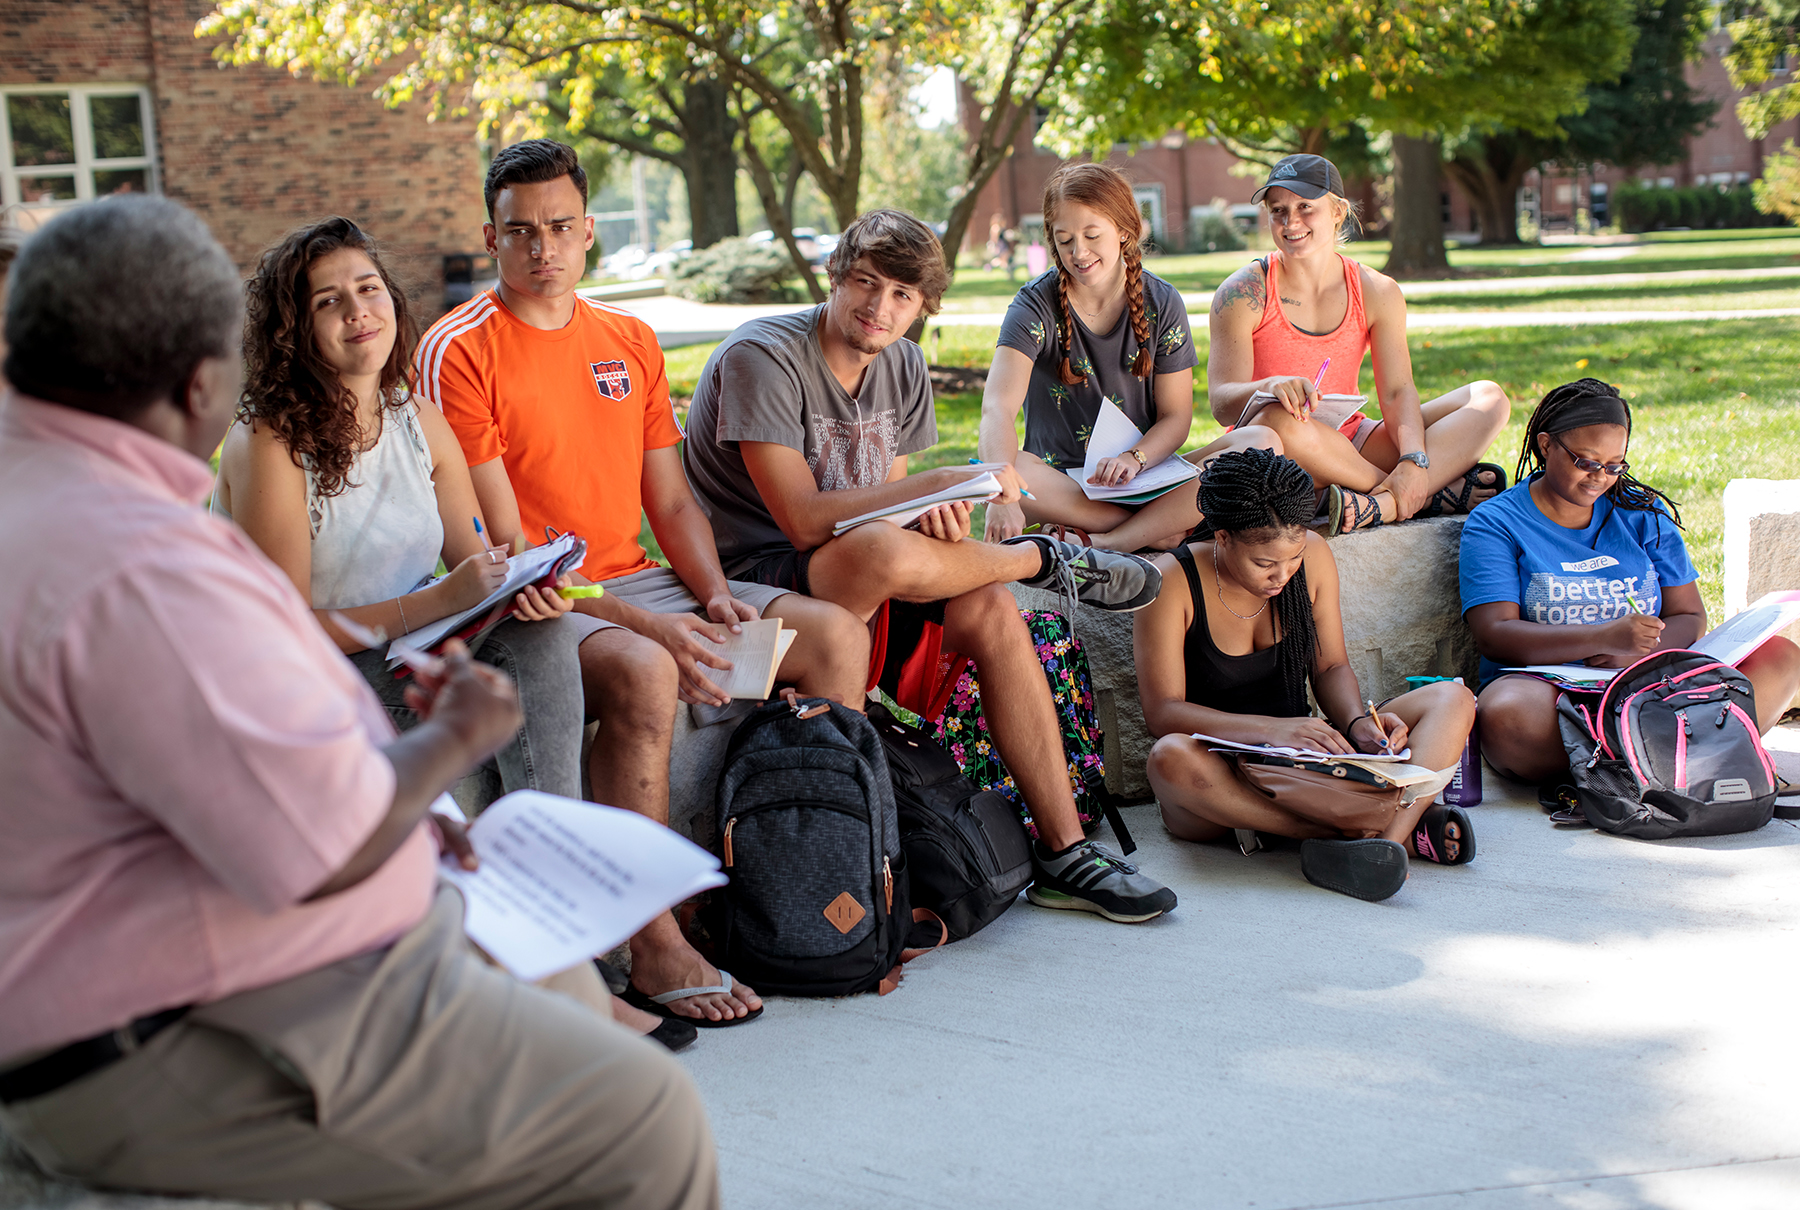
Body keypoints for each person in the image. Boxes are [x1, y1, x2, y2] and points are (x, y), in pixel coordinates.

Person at [0, 196, 718, 1210]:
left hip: (167, 956)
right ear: (208, 377)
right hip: (152, 1028)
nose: (355, 314)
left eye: (368, 291)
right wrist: (448, 744)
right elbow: (316, 843)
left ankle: (577, 937)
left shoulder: (39, 491)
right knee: (646, 1118)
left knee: (529, 931)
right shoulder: (140, 557)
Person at [418, 138, 871, 1026]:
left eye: (558, 228)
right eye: (520, 233)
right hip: (536, 604)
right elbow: (505, 553)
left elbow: (669, 495)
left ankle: (803, 888)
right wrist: (656, 627)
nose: (541, 249)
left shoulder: (626, 338)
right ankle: (656, 940)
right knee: (646, 670)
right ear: (490, 236)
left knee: (832, 637)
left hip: (640, 579)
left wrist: (710, 595)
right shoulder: (461, 349)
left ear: (589, 231)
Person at [683, 206, 1179, 924]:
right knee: (893, 551)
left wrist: (935, 515)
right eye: (865, 282)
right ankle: (1035, 559)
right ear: (835, 277)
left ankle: (1066, 852)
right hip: (756, 578)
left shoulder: (905, 365)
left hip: (853, 564)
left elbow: (881, 503)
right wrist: (942, 485)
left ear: (923, 306)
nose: (880, 308)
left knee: (987, 607)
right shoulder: (762, 357)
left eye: (903, 296)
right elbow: (800, 521)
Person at [214, 217, 584, 805]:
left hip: (407, 651)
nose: (357, 311)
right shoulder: (270, 441)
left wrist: (524, 588)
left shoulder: (416, 419)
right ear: (294, 330)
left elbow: (477, 566)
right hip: (302, 683)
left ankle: (554, 836)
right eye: (328, 301)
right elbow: (284, 630)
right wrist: (438, 601)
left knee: (544, 636)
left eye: (368, 289)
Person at [1136, 448, 1479, 902]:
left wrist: (1360, 726)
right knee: (1168, 758)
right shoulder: (1172, 581)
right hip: (1222, 780)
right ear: (1222, 537)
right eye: (1264, 563)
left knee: (1452, 699)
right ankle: (1362, 832)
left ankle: (1382, 849)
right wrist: (1277, 731)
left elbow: (1331, 665)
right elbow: (1163, 713)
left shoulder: (1313, 556)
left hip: (1306, 769)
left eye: (1292, 558)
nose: (1282, 575)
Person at [1461, 379, 1800, 784]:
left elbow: (1689, 615)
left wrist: (1636, 656)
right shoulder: (1497, 522)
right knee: (1508, 714)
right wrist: (1603, 638)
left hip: (1648, 681)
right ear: (1546, 445)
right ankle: (1677, 752)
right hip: (1553, 691)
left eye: (1614, 465)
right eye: (1585, 461)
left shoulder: (1642, 512)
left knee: (1780, 657)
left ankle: (1622, 758)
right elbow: (1495, 634)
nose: (1599, 478)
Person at [1207, 153, 1511, 536]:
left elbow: (1398, 391)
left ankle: (1383, 501)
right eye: (1278, 210)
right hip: (1277, 451)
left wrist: (1414, 461)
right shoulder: (1242, 293)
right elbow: (1220, 403)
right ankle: (1408, 494)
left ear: (1338, 211)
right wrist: (1268, 387)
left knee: (1489, 397)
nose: (1291, 222)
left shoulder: (1376, 290)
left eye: (1305, 207)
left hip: (1352, 444)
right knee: (1279, 420)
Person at [982, 162, 1278, 553]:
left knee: (1262, 440)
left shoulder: (1162, 300)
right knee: (1009, 468)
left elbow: (1176, 417)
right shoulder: (1034, 304)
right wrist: (1002, 496)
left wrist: (1134, 459)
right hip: (1063, 484)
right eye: (1065, 239)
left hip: (1145, 476)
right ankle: (1164, 527)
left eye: (1092, 235)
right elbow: (996, 409)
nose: (1078, 252)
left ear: (1124, 231)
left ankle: (1114, 540)